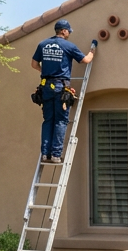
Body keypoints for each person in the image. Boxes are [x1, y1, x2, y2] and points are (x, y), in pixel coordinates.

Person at [31, 20, 96, 163]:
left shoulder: (43, 44)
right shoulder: (68, 46)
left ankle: (45, 154)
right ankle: (55, 155)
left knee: (48, 120)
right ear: (64, 31)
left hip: (45, 86)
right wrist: (92, 51)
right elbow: (85, 60)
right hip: (60, 87)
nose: (69, 34)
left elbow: (34, 64)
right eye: (69, 31)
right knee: (60, 121)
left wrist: (46, 72)